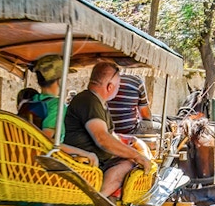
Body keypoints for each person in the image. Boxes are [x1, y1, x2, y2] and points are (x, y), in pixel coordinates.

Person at [64, 60, 152, 197]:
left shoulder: (97, 102)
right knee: (129, 164)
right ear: (110, 86)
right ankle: (97, 200)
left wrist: (126, 142)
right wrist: (137, 156)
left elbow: (108, 134)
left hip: (98, 159)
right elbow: (102, 138)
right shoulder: (89, 101)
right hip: (88, 161)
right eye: (117, 86)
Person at [23, 54, 98, 166]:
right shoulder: (56, 105)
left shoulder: (31, 101)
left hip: (25, 158)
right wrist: (85, 153)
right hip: (44, 165)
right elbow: (45, 141)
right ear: (60, 81)